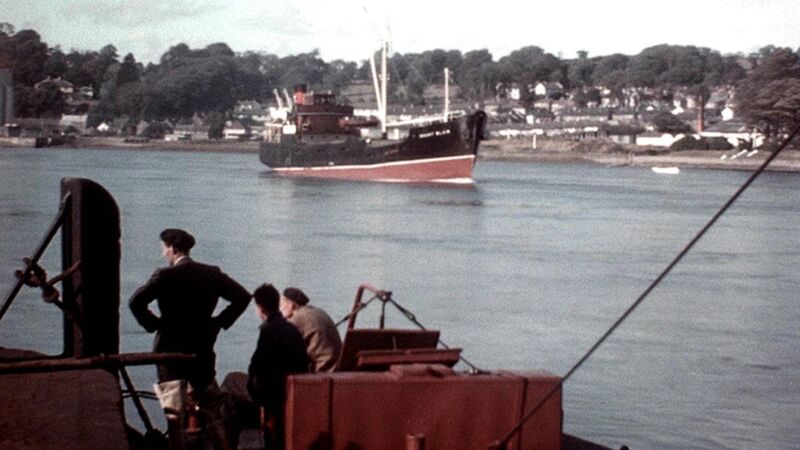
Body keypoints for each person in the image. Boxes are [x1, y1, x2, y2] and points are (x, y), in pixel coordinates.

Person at [129, 228, 251, 450]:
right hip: (201, 350)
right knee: (213, 410)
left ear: (173, 249)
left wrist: (155, 325)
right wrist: (218, 323)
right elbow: (242, 297)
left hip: (169, 353)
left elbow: (135, 303)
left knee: (174, 416)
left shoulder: (164, 276)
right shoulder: (211, 274)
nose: (164, 253)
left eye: (164, 249)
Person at [247, 283, 309, 450]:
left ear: (260, 308)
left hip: (275, 394)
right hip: (294, 386)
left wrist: (254, 393)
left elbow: (257, 368)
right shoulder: (292, 329)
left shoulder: (268, 330)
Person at [280, 287, 342, 372]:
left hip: (324, 369)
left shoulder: (297, 319)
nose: (279, 309)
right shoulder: (318, 311)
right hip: (339, 364)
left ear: (291, 305)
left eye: (281, 305)